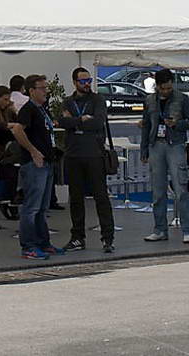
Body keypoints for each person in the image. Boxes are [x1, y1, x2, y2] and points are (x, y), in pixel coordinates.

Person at [58, 67, 116, 253]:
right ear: (75, 82)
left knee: (101, 197)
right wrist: (81, 120)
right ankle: (77, 237)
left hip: (94, 154)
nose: (86, 84)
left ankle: (107, 238)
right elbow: (62, 122)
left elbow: (98, 122)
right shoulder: (68, 101)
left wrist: (74, 121)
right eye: (83, 81)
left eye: (89, 80)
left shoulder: (98, 100)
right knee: (76, 198)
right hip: (73, 154)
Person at [140, 68, 189, 244]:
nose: (166, 91)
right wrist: (144, 149)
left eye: (169, 87)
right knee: (158, 191)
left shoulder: (182, 99)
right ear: (157, 86)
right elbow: (146, 125)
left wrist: (177, 124)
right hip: (156, 145)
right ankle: (159, 229)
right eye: (163, 88)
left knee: (181, 189)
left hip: (176, 145)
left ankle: (187, 229)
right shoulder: (149, 100)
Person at [10, 74, 61, 260]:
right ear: (31, 91)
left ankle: (43, 242)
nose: (46, 91)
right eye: (42, 88)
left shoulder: (41, 109)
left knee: (42, 207)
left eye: (46, 88)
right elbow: (17, 130)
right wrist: (33, 151)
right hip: (34, 164)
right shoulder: (28, 109)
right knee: (32, 207)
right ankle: (28, 246)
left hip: (46, 162)